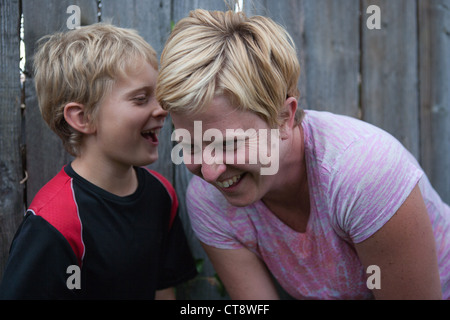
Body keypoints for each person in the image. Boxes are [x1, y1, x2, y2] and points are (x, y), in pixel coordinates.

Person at [156, 9, 450, 300]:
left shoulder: (363, 174)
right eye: (191, 145)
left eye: (229, 144)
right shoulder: (210, 201)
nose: (209, 172)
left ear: (284, 117)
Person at [0, 23, 197, 299]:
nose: (162, 109)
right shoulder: (53, 223)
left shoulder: (162, 194)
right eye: (141, 99)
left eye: (160, 96)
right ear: (83, 118)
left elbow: (162, 288)